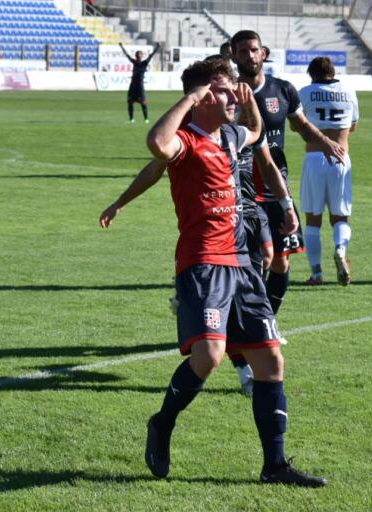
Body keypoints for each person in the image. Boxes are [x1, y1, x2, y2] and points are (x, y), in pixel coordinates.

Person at [120, 57, 326, 486]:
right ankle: (163, 423)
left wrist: (248, 104)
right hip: (203, 263)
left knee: (270, 361)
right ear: (199, 97)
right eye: (221, 89)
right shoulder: (185, 142)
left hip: (242, 262)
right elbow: (157, 145)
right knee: (210, 356)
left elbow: (254, 132)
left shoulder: (232, 135)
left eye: (233, 88)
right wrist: (191, 97)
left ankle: (275, 465)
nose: (231, 94)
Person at [231, 30, 345, 313]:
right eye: (243, 51)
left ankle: (266, 321)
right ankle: (245, 323)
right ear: (233, 55)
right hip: (240, 185)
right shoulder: (228, 94)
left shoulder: (282, 90)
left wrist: (326, 142)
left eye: (254, 50)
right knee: (258, 259)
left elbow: (303, 126)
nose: (250, 56)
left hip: (275, 183)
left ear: (264, 53)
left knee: (282, 261)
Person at [298, 57, 359, 286]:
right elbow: (352, 125)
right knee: (340, 216)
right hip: (342, 158)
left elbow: (297, 124)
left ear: (312, 74)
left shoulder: (305, 92)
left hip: (315, 157)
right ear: (333, 72)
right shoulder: (348, 91)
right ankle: (341, 251)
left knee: (313, 219)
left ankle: (316, 274)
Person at [119, 42, 161, 123]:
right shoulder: (134, 62)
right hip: (133, 85)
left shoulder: (144, 63)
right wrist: (122, 47)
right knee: (130, 102)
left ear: (141, 56)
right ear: (136, 56)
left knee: (143, 103)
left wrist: (157, 48)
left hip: (140, 85)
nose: (139, 56)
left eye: (140, 54)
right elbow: (127, 55)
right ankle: (131, 119)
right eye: (137, 54)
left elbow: (151, 56)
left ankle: (146, 119)